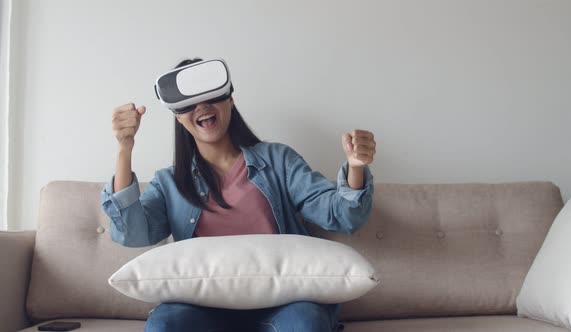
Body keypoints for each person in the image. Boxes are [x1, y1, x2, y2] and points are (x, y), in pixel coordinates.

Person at [101, 57, 377, 332]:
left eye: (212, 95)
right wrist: (125, 149)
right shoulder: (169, 182)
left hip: (284, 301)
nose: (203, 106)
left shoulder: (278, 160)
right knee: (164, 325)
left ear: (230, 99)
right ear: (177, 115)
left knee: (306, 323)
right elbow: (133, 233)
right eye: (190, 102)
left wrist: (355, 167)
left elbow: (342, 216)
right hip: (201, 306)